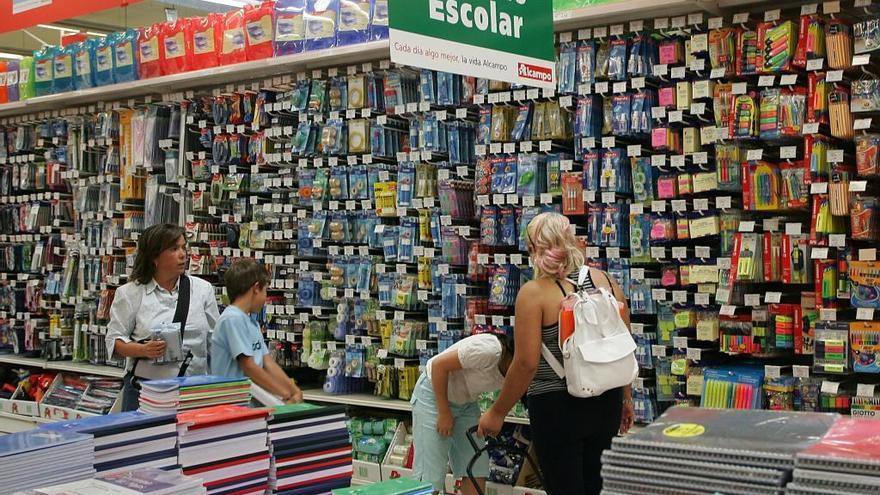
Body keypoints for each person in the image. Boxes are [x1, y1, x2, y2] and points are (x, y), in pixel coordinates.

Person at [477, 212, 635, 495]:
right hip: (606, 401)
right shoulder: (606, 282)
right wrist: (626, 398)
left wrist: (497, 411)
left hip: (557, 408)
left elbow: (526, 364)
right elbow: (622, 346)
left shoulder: (534, 293)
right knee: (595, 488)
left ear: (535, 249)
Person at [106, 224, 220, 411]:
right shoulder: (130, 293)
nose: (182, 254)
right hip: (146, 393)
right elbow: (114, 341)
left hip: (193, 392)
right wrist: (144, 350)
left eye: (184, 247)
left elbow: (214, 341)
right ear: (154, 257)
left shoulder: (202, 290)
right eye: (174, 249)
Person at [411, 332, 515, 495]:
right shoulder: (489, 350)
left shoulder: (519, 372)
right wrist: (444, 412)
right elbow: (439, 366)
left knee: (476, 465)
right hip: (433, 395)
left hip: (465, 403)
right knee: (431, 473)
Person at [211, 258, 303, 403]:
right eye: (265, 290)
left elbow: (268, 362)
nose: (266, 298)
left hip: (250, 404)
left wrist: (294, 391)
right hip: (232, 405)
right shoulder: (231, 319)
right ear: (256, 288)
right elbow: (248, 366)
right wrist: (284, 394)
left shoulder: (251, 322)